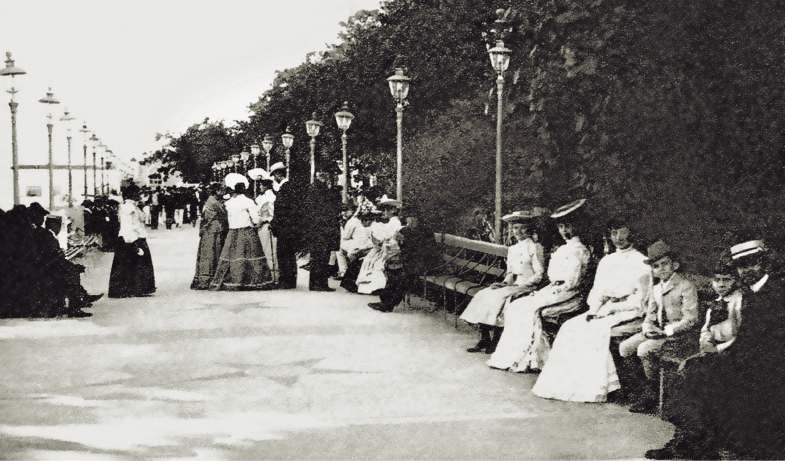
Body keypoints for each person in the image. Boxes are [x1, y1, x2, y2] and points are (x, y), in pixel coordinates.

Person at [645, 237, 785, 460]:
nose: (746, 270)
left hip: (771, 365)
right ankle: (693, 442)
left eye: (752, 263)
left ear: (764, 263)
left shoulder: (776, 293)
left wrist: (720, 354)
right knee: (692, 373)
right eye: (741, 266)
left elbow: (761, 341)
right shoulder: (750, 291)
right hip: (746, 357)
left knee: (705, 377)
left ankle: (697, 443)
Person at [532, 218, 650, 402]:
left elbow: (640, 299)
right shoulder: (607, 260)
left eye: (622, 232)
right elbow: (598, 291)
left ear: (632, 233)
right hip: (604, 308)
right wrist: (594, 309)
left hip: (628, 310)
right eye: (614, 233)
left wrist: (612, 308)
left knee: (595, 332)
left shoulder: (641, 261)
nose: (618, 237)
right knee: (570, 327)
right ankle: (573, 383)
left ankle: (608, 385)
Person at [486, 199, 592, 372]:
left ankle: (532, 358)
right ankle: (515, 356)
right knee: (517, 306)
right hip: (553, 288)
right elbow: (552, 274)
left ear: (577, 227)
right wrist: (552, 285)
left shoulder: (581, 250)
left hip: (569, 293)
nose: (564, 231)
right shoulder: (562, 249)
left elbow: (573, 281)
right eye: (561, 227)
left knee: (529, 309)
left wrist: (558, 286)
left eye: (568, 226)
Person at [618, 240, 699, 414]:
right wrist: (648, 329)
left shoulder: (685, 286)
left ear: (674, 265)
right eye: (656, 266)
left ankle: (652, 393)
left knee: (644, 349)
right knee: (625, 347)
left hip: (678, 335)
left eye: (665, 264)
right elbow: (650, 315)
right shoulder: (655, 289)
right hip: (658, 332)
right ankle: (643, 388)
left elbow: (691, 319)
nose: (661, 269)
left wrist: (667, 331)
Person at [459, 210, 546, 353]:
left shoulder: (535, 247)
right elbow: (510, 273)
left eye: (522, 228)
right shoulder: (513, 249)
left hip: (528, 287)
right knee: (484, 294)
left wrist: (522, 284)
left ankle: (496, 341)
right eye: (515, 228)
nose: (518, 231)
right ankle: (484, 338)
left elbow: (539, 274)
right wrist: (504, 283)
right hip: (513, 285)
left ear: (529, 229)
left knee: (500, 300)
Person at [368, 209, 438, 312]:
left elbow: (426, 251)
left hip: (423, 262)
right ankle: (384, 301)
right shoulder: (406, 230)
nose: (409, 222)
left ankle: (389, 304)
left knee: (403, 276)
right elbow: (401, 245)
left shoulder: (426, 232)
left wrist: (405, 243)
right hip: (410, 260)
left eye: (412, 219)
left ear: (417, 219)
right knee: (392, 272)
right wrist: (399, 241)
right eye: (408, 220)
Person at [209, 182, 274, 291]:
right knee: (251, 255)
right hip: (247, 231)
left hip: (233, 232)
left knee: (233, 255)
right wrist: (260, 221)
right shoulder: (248, 201)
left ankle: (234, 280)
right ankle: (252, 281)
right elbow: (255, 218)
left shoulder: (229, 203)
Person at [108, 186, 156, 298]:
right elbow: (128, 226)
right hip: (131, 238)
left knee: (130, 264)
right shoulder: (129, 208)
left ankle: (132, 289)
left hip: (131, 237)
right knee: (134, 264)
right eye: (138, 193)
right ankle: (134, 289)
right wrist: (135, 243)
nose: (140, 195)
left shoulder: (131, 206)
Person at [356, 195, 404, 294]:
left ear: (392, 211)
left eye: (386, 210)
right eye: (384, 210)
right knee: (369, 260)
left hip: (390, 249)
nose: (384, 212)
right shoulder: (390, 222)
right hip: (384, 247)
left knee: (376, 263)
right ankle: (372, 287)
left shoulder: (395, 222)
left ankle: (378, 287)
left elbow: (391, 238)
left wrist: (380, 242)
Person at [304, 172, 341, 292]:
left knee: (318, 257)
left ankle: (316, 284)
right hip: (322, 229)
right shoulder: (320, 190)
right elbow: (325, 209)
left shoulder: (313, 189)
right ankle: (320, 284)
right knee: (322, 257)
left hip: (317, 229)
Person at [270, 162, 304, 289]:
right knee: (290, 254)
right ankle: (291, 280)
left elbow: (280, 210)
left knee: (283, 254)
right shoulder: (292, 187)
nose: (274, 178)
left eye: (275, 175)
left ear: (279, 174)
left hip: (284, 228)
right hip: (291, 227)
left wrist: (274, 224)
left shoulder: (285, 189)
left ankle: (285, 281)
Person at [191, 184, 229, 290]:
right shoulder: (215, 202)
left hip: (208, 230)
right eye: (222, 190)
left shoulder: (210, 200)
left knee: (207, 253)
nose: (224, 192)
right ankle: (211, 278)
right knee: (213, 252)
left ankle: (203, 278)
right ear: (217, 191)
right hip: (214, 230)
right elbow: (224, 214)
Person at [255, 178, 278, 284]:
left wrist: (264, 220)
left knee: (267, 249)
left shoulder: (270, 198)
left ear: (265, 186)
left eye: (261, 185)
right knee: (263, 249)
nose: (260, 187)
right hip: (261, 227)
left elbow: (272, 215)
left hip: (266, 227)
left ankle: (272, 275)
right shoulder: (262, 197)